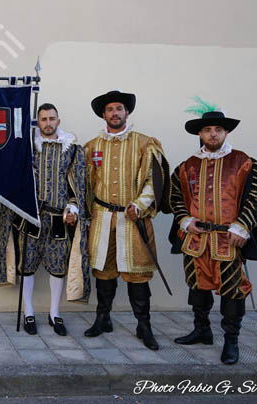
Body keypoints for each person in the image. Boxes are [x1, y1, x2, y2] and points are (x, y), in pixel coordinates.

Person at [169, 101, 257, 364]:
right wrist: (184, 220)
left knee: (232, 291)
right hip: (195, 239)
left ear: (226, 133)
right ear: (200, 134)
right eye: (207, 130)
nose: (213, 134)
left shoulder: (244, 162)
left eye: (217, 129)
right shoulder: (187, 165)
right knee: (197, 286)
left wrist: (243, 226)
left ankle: (231, 341)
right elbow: (175, 197)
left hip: (229, 239)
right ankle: (202, 330)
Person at [83, 90, 169, 351]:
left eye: (119, 109)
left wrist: (140, 205)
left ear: (127, 113)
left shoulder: (145, 143)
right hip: (102, 218)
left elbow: (155, 179)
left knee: (137, 274)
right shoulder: (91, 147)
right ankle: (102, 318)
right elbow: (85, 184)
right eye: (110, 109)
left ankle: (144, 326)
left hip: (133, 219)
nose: (115, 113)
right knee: (103, 270)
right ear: (103, 114)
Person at [0, 103, 90, 336]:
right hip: (31, 216)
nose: (48, 123)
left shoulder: (73, 150)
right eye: (43, 119)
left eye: (51, 119)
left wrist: (73, 209)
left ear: (59, 120)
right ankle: (28, 311)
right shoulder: (27, 148)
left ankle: (54, 313)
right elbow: (11, 178)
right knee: (27, 266)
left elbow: (78, 186)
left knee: (58, 268)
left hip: (59, 217)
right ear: (38, 122)